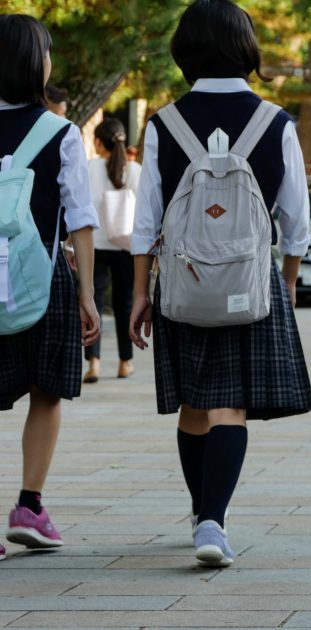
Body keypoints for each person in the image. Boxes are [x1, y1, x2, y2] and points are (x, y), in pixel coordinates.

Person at [128, 0, 311, 568]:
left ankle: (200, 511)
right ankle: (214, 520)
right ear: (247, 48)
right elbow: (296, 221)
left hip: (182, 288)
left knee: (192, 405)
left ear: (184, 51)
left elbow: (146, 221)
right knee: (229, 406)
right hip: (249, 288)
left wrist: (140, 293)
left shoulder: (164, 123)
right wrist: (286, 284)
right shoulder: (275, 122)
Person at [0, 14, 100, 560]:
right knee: (46, 392)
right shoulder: (60, 132)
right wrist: (87, 294)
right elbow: (80, 218)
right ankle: (29, 506)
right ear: (39, 64)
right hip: (43, 279)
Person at [82, 118, 142, 383]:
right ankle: (125, 362)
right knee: (125, 304)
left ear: (97, 142)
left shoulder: (89, 167)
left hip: (93, 245)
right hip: (126, 246)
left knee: (91, 302)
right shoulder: (135, 170)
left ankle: (93, 363)